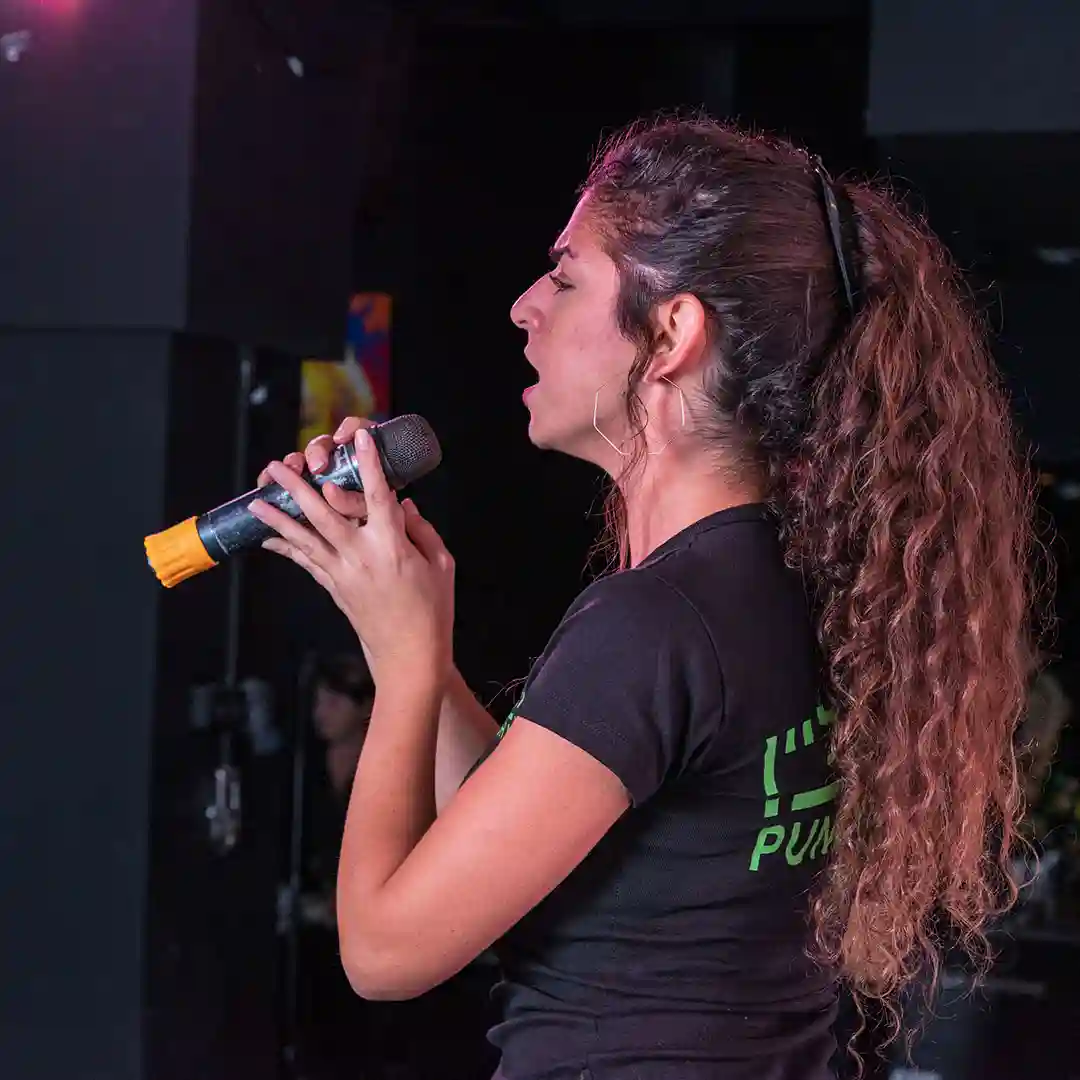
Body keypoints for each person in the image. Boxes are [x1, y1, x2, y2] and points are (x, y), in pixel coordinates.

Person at [250, 115, 1037, 1079]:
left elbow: (383, 955)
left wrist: (403, 664)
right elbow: (522, 836)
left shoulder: (657, 625)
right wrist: (422, 637)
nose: (523, 307)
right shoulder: (793, 586)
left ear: (670, 333)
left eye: (566, 278)